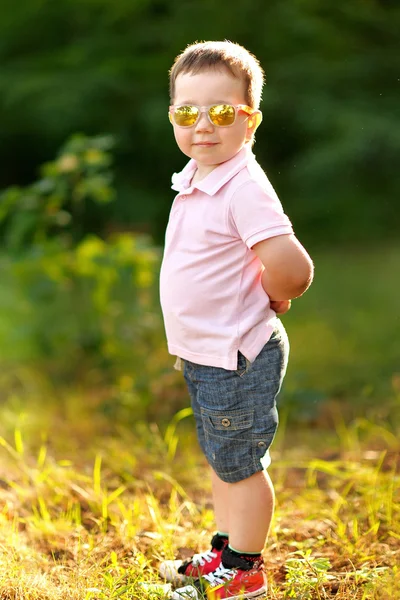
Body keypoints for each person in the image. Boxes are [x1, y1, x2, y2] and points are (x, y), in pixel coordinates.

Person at [158, 40, 314, 600]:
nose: (203, 125)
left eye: (222, 111)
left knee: (242, 464)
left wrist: (277, 295)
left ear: (250, 120)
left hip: (237, 352)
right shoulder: (204, 172)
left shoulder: (243, 186)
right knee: (225, 460)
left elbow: (293, 270)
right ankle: (228, 548)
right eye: (186, 112)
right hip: (208, 352)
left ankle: (245, 571)